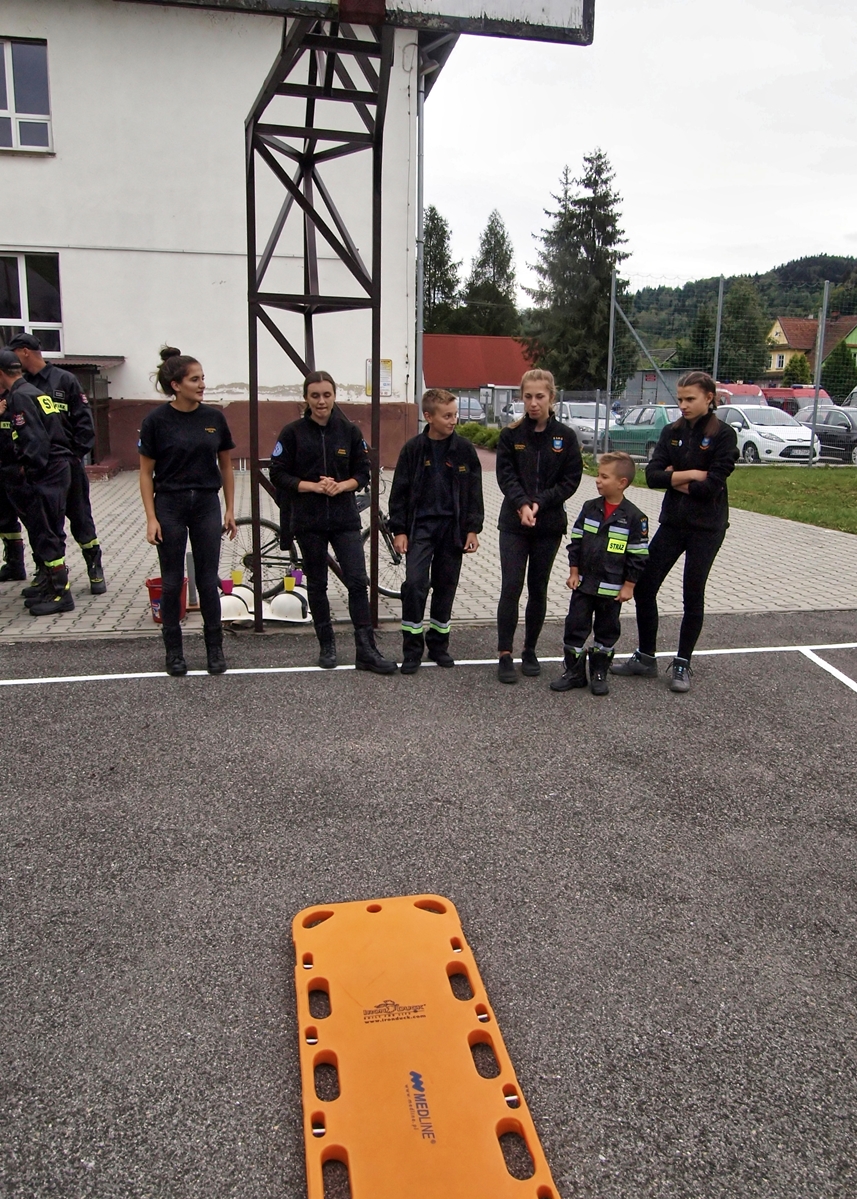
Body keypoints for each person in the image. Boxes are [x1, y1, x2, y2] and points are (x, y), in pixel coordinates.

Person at [611, 370, 739, 692]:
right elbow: (652, 476)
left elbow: (711, 487)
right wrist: (693, 474)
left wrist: (675, 477)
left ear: (709, 398)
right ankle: (646, 657)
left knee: (692, 594)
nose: (683, 405)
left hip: (707, 528)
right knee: (644, 586)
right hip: (672, 523)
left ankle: (682, 662)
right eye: (680, 399)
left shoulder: (724, 435)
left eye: (690, 399)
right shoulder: (671, 432)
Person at [269, 370, 396, 675]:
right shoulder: (292, 433)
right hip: (308, 520)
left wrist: (342, 486)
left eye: (327, 395)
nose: (321, 401)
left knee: (357, 581)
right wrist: (312, 486)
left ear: (335, 396)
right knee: (317, 584)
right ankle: (326, 645)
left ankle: (366, 650)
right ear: (306, 398)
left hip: (344, 518)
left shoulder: (349, 431)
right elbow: (278, 473)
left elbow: (363, 471)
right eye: (315, 396)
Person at [138, 347, 237, 676]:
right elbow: (145, 473)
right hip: (170, 505)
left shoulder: (214, 418)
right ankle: (174, 653)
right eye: (195, 379)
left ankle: (214, 650)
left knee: (208, 581)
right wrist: (151, 518)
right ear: (176, 385)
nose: (202, 384)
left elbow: (226, 466)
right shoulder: (156, 421)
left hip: (206, 504)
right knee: (170, 583)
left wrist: (230, 509)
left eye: (203, 378)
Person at [495, 368, 582, 684]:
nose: (533, 403)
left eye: (540, 396)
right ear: (521, 397)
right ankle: (505, 653)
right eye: (528, 396)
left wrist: (539, 503)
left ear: (552, 397)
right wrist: (521, 504)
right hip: (514, 523)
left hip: (548, 524)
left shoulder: (566, 437)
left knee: (538, 587)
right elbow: (506, 475)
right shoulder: (510, 435)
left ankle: (529, 650)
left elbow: (570, 480)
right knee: (511, 586)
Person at [388, 388, 483, 673]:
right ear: (429, 417)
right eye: (447, 416)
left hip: (452, 530)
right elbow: (399, 492)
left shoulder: (464, 449)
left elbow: (474, 492)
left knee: (445, 586)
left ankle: (439, 646)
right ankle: (412, 650)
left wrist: (472, 529)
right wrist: (399, 530)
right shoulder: (413, 449)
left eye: (455, 415)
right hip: (421, 528)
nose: (453, 420)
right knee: (415, 585)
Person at [8, 332, 107, 596]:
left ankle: (94, 567)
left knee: (80, 516)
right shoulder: (22, 386)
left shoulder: (64, 379)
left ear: (25, 351)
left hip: (67, 462)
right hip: (42, 466)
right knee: (44, 523)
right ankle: (47, 574)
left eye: (13, 353)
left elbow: (84, 423)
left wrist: (74, 455)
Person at [550, 452, 649, 696]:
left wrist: (629, 585)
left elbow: (638, 556)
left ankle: (599, 673)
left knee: (607, 631)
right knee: (575, 627)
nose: (598, 480)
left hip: (611, 590)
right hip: (584, 585)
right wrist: (574, 572)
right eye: (598, 475)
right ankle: (574, 673)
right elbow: (576, 541)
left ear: (621, 482)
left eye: (604, 476)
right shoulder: (590, 508)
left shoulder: (635, 517)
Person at [0, 349, 74, 616]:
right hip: (56, 469)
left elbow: (34, 441)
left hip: (46, 473)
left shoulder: (20, 396)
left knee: (46, 533)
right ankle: (48, 586)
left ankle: (60, 594)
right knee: (46, 531)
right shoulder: (31, 391)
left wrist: (28, 471)